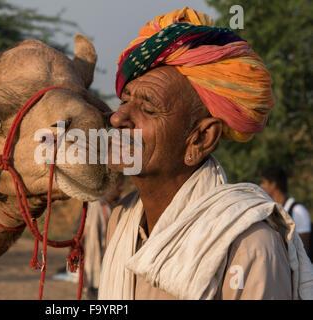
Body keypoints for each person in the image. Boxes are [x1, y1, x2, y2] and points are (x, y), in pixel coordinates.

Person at [98, 7, 313, 300]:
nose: (117, 118)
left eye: (148, 108)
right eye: (124, 100)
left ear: (199, 139)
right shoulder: (122, 221)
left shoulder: (248, 245)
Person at [53, 177, 124, 298]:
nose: (120, 188)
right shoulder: (95, 207)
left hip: (109, 268)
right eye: (117, 185)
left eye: (121, 185)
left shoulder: (119, 206)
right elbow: (81, 236)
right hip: (94, 269)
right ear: (108, 187)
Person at [260, 167, 311, 259]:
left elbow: (304, 251)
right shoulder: (267, 210)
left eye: (263, 182)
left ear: (273, 185)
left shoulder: (298, 210)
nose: (261, 186)